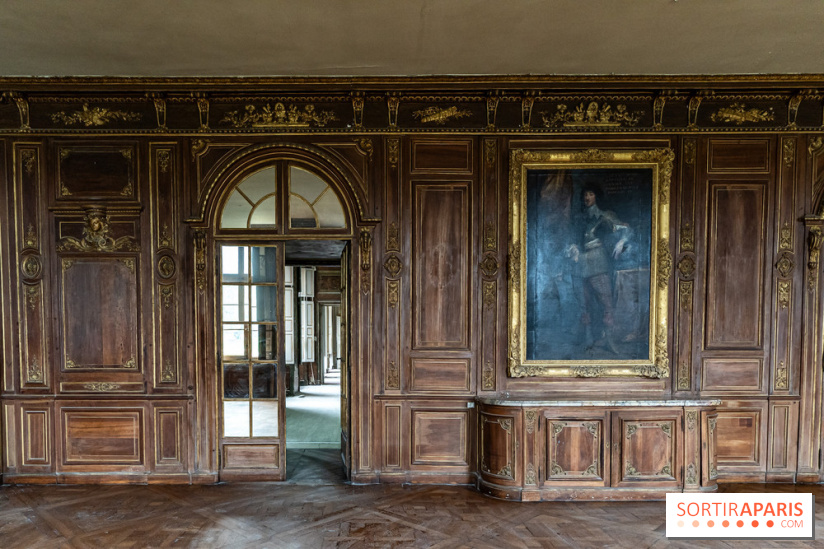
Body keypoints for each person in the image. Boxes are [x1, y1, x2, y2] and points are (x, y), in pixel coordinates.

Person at [566, 184, 630, 354]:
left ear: (597, 197)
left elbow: (626, 229)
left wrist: (622, 241)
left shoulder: (605, 216)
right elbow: (573, 239)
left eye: (591, 194)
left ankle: (609, 340)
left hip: (598, 261)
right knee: (584, 303)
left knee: (606, 301)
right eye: (585, 194)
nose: (587, 198)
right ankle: (588, 339)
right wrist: (572, 248)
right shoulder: (580, 218)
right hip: (580, 263)